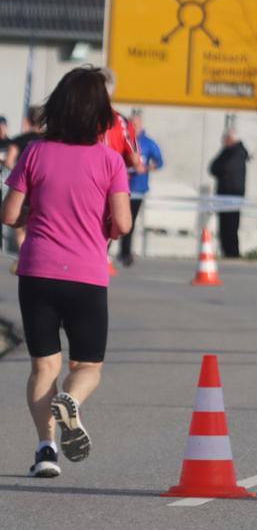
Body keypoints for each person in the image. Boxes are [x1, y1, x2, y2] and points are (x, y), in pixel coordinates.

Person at [0, 67, 132, 479]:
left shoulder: (36, 153)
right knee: (88, 367)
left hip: (37, 272)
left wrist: (36, 210)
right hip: (87, 276)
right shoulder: (110, 161)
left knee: (43, 367)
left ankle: (46, 450)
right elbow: (123, 224)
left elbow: (8, 214)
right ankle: (72, 400)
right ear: (101, 115)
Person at [117, 113, 164, 267]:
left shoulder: (148, 143)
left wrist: (146, 168)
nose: (134, 127)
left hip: (137, 189)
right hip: (120, 188)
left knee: (129, 221)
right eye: (132, 124)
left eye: (137, 125)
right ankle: (109, 252)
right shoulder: (123, 138)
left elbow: (160, 162)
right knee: (115, 219)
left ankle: (125, 253)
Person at [5, 107, 45, 269]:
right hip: (40, 187)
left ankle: (23, 256)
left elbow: (9, 161)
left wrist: (18, 173)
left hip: (22, 187)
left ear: (28, 120)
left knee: (20, 224)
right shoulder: (46, 141)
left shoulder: (19, 140)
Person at [208, 130, 249, 259]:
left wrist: (221, 167)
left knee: (231, 226)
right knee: (224, 226)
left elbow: (225, 168)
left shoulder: (238, 153)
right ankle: (226, 252)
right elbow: (213, 168)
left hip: (233, 194)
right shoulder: (225, 152)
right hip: (223, 194)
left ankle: (233, 253)